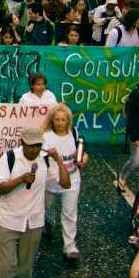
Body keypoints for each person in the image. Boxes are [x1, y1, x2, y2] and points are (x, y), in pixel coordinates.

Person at [0, 125, 70, 278]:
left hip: (34, 220)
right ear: (22, 143)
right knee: (4, 266)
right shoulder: (9, 158)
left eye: (38, 146)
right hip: (9, 219)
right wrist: (20, 179)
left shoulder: (45, 160)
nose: (34, 150)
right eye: (30, 146)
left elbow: (66, 183)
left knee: (26, 263)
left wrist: (58, 160)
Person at [42, 103, 88, 261]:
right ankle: (47, 223)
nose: (60, 122)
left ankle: (70, 246)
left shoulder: (73, 133)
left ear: (68, 120)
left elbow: (81, 153)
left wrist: (83, 159)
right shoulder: (46, 137)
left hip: (72, 178)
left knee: (69, 213)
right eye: (57, 119)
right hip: (51, 180)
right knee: (46, 206)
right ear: (52, 120)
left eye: (63, 119)